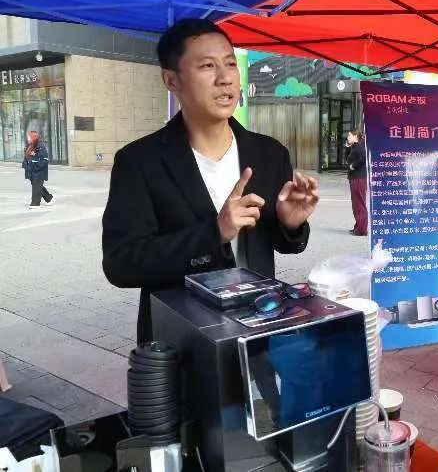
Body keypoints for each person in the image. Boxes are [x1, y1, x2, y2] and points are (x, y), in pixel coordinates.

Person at [102, 19, 318, 343]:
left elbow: (281, 244)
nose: (225, 77)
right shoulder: (140, 161)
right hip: (181, 344)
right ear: (171, 80)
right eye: (207, 66)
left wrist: (290, 224)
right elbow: (121, 264)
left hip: (257, 336)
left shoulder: (270, 154)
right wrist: (214, 233)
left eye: (230, 63)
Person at [22, 130, 53, 208]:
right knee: (38, 186)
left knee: (36, 186)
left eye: (29, 137)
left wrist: (34, 165)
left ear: (34, 137)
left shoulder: (41, 147)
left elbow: (44, 160)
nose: (28, 138)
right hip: (31, 171)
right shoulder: (29, 146)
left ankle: (35, 203)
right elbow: (26, 157)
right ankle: (49, 198)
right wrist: (25, 165)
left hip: (39, 172)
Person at [345, 130, 368, 236]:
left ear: (355, 136)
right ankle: (358, 226)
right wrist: (347, 147)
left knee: (359, 204)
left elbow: (363, 158)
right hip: (355, 178)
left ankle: (362, 230)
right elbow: (348, 159)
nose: (348, 137)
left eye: (349, 135)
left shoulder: (359, 146)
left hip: (359, 178)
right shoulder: (354, 147)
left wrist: (353, 166)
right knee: (356, 204)